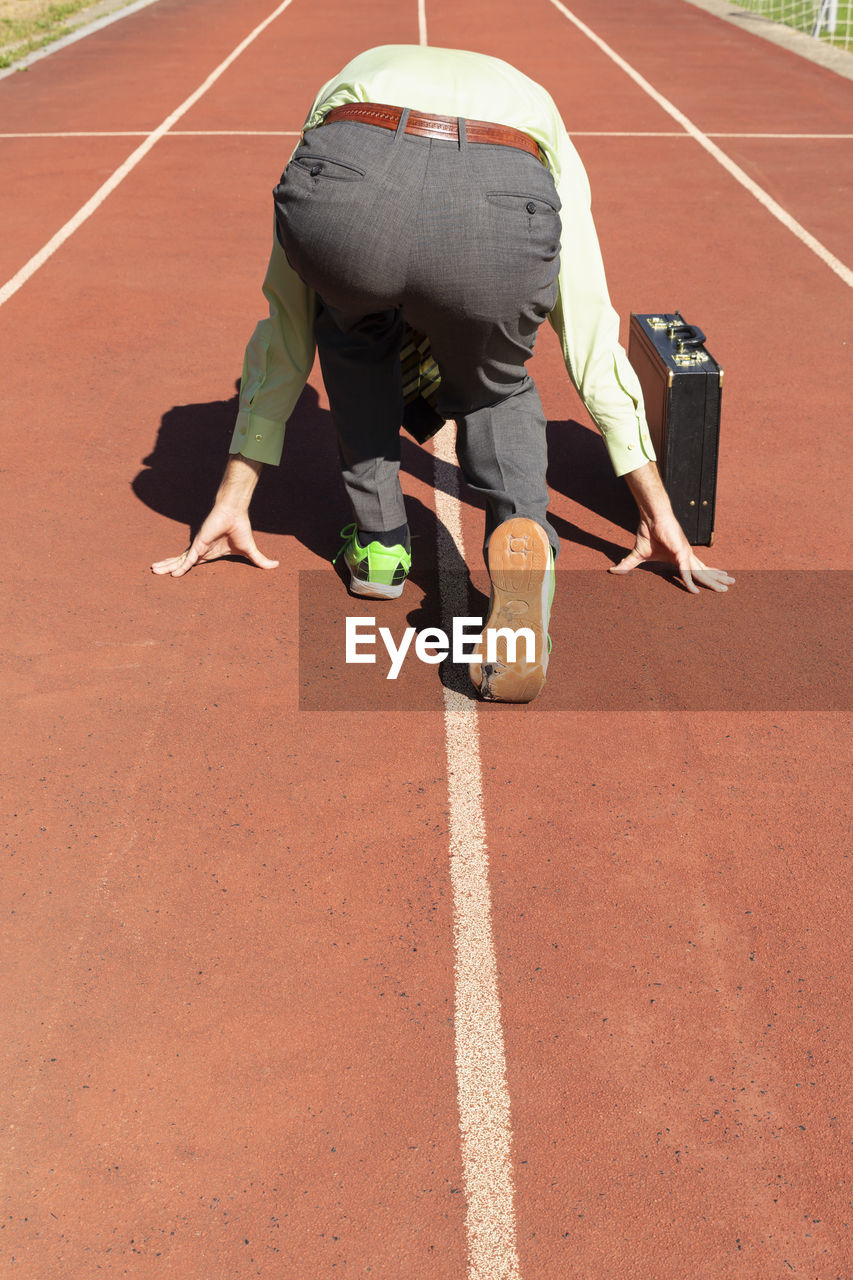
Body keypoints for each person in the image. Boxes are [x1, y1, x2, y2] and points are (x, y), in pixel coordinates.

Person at [151, 44, 734, 702]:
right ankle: (520, 537)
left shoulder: (354, 72)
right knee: (496, 384)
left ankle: (377, 548)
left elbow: (285, 326)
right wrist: (656, 509)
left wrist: (234, 495)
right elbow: (589, 327)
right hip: (495, 198)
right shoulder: (533, 98)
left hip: (352, 180)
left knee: (346, 334)